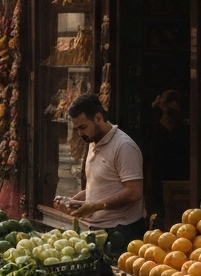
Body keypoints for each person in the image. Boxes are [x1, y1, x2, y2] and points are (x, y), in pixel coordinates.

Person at [59, 94, 146, 242]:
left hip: (121, 231)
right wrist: (78, 199)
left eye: (83, 127)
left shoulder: (124, 146)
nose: (80, 134)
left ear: (98, 118)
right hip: (97, 229)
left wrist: (95, 206)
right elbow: (106, 183)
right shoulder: (94, 141)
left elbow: (134, 192)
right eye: (77, 129)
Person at [145, 89, 191, 228]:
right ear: (162, 106)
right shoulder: (154, 128)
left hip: (181, 177)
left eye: (176, 102)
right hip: (159, 177)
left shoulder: (185, 129)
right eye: (170, 102)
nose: (173, 106)